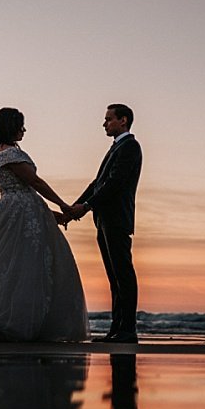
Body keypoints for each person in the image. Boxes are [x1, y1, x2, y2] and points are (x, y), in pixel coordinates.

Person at [0, 107, 90, 342]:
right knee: (19, 268)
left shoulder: (2, 152)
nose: (24, 129)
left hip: (19, 209)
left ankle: (13, 321)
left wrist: (52, 215)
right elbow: (34, 182)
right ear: (10, 126)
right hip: (18, 211)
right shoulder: (8, 154)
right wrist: (64, 205)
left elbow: (26, 193)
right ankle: (5, 322)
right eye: (20, 125)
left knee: (11, 267)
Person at [64, 104, 142, 343]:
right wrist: (72, 210)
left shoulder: (129, 147)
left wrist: (85, 207)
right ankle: (117, 329)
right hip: (105, 219)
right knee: (114, 277)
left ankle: (127, 330)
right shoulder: (116, 148)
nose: (104, 123)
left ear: (123, 120)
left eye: (109, 119)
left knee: (123, 275)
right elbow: (97, 183)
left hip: (117, 219)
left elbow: (114, 183)